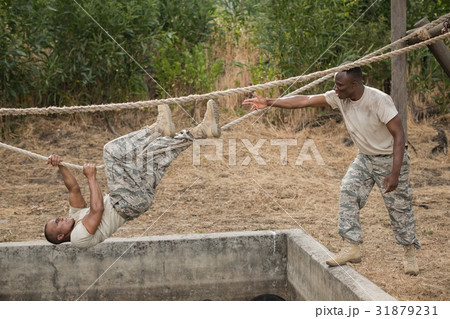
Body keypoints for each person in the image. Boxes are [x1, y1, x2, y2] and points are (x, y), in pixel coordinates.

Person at [242, 66, 420, 275]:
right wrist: (269, 102)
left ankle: (409, 253)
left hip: (390, 159)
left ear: (355, 85)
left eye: (340, 85)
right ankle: (352, 246)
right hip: (365, 157)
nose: (335, 89)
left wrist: (395, 173)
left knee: (399, 208)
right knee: (348, 191)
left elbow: (399, 136)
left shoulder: (378, 100)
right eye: (335, 84)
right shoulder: (340, 97)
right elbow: (306, 100)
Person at [44, 100, 221, 249]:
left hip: (137, 198)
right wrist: (91, 177)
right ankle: (157, 129)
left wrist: (59, 164)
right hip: (125, 203)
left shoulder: (74, 218)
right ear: (60, 236)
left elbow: (73, 189)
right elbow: (97, 209)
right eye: (57, 223)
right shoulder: (77, 238)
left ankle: (203, 131)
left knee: (155, 152)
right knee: (111, 151)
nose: (59, 218)